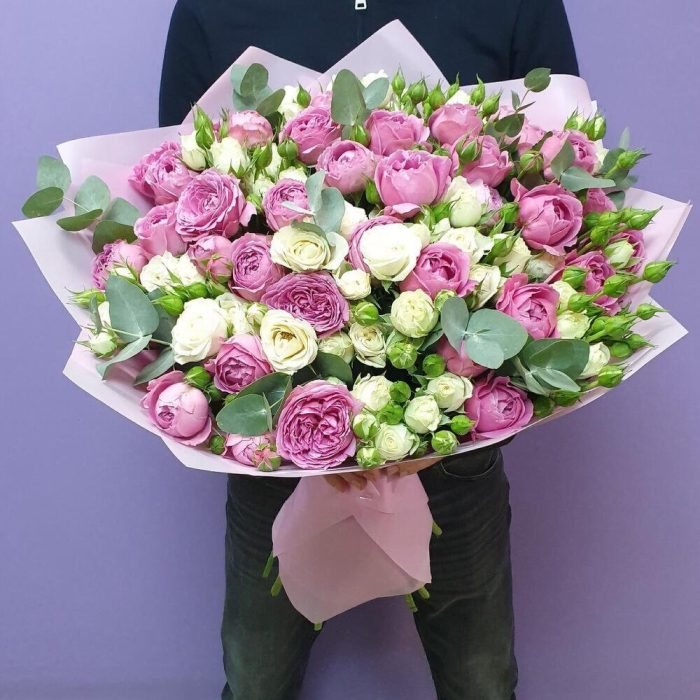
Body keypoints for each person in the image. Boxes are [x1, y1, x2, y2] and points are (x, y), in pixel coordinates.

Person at [159, 3, 578, 698]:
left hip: (455, 441)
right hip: (270, 445)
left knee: (481, 681)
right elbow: (175, 202)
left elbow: (553, 180)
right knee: (256, 680)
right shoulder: (212, 8)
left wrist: (440, 426)